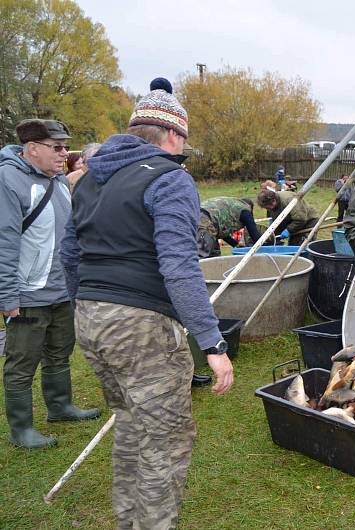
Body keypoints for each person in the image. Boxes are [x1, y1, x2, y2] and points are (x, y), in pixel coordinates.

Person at [60, 77, 234, 529]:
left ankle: (129, 522)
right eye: (184, 141)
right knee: (164, 441)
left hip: (91, 319)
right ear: (173, 135)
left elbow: (70, 256)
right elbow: (179, 265)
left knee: (131, 427)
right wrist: (212, 344)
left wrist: (91, 304)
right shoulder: (170, 178)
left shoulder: (90, 182)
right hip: (140, 326)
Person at [0, 119, 101, 449]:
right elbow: (5, 243)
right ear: (32, 149)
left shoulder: (57, 180)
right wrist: (8, 296)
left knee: (59, 352)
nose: (64, 155)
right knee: (21, 362)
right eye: (57, 148)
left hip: (62, 290)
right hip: (28, 295)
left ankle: (60, 407)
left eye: (65, 147)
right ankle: (22, 430)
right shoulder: (8, 180)